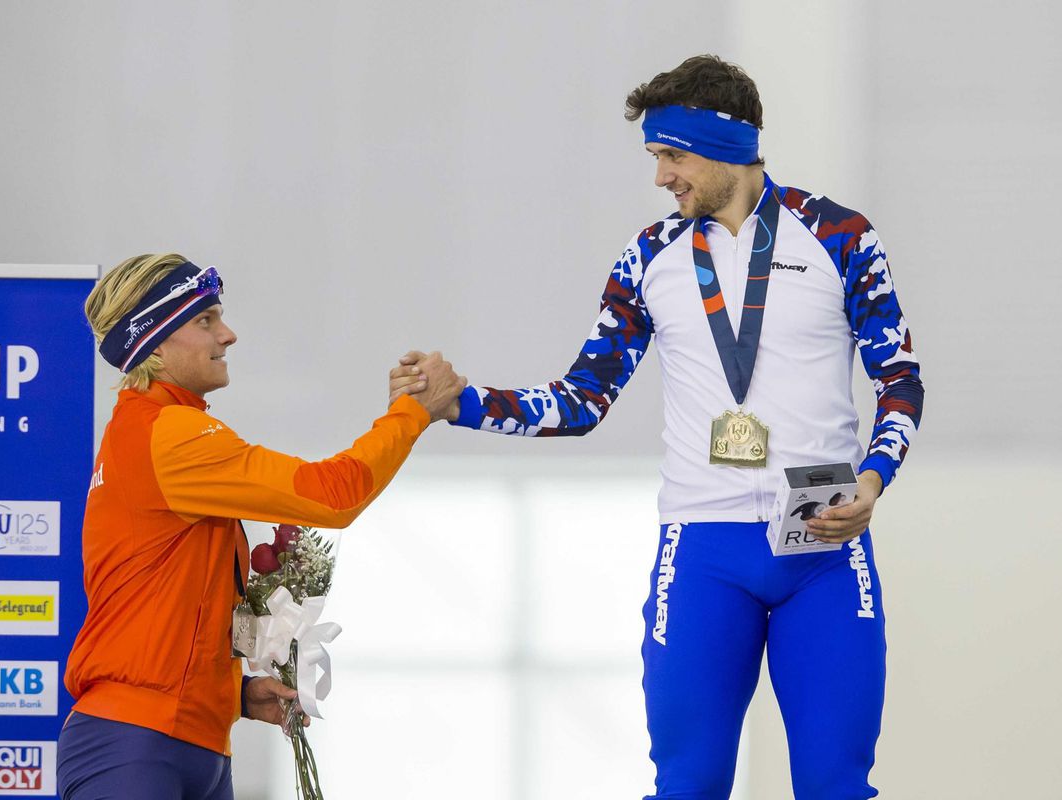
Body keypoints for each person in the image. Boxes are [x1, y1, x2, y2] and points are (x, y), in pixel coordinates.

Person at [391, 55, 923, 800]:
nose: (661, 177)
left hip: (827, 549)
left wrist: (873, 481)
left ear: (725, 145)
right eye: (654, 158)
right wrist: (463, 403)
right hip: (704, 550)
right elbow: (583, 399)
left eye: (671, 156)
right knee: (688, 786)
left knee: (838, 786)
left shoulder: (839, 236)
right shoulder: (649, 256)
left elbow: (899, 381)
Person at [58, 253, 463, 800]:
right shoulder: (168, 434)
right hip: (138, 741)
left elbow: (175, 602)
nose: (228, 335)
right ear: (153, 344)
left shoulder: (154, 431)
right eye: (205, 321)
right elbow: (332, 495)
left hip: (187, 739)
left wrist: (233, 693)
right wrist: (412, 413)